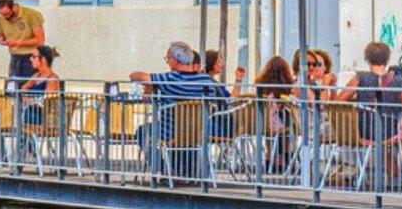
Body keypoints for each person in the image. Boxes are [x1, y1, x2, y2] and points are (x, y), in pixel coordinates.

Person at [128, 41, 230, 180]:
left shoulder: (169, 79)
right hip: (199, 132)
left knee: (142, 132)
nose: (167, 62)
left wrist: (149, 86)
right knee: (185, 138)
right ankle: (183, 172)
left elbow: (134, 76)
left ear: (175, 61)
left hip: (170, 131)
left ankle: (165, 169)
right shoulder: (206, 81)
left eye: (167, 59)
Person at [340, 41, 402, 146]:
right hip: (390, 132)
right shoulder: (399, 81)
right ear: (387, 59)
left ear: (367, 59)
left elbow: (340, 100)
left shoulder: (360, 78)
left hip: (365, 132)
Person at [253, 55, 299, 173]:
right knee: (287, 121)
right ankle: (284, 156)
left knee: (277, 125)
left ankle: (271, 157)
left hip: (258, 123)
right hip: (275, 124)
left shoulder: (258, 86)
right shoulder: (286, 88)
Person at [0, 0, 46, 88]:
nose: (5, 17)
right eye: (2, 14)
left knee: (29, 88)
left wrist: (19, 42)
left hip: (31, 57)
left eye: (7, 14)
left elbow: (40, 40)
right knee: (12, 87)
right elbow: (1, 35)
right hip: (14, 57)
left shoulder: (31, 15)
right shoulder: (0, 18)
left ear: (13, 7)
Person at [19, 44, 64, 125]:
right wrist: (26, 99)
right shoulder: (36, 76)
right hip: (29, 112)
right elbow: (23, 88)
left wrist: (30, 101)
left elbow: (47, 101)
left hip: (40, 117)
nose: (30, 59)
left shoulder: (52, 79)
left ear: (43, 59)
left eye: (34, 57)